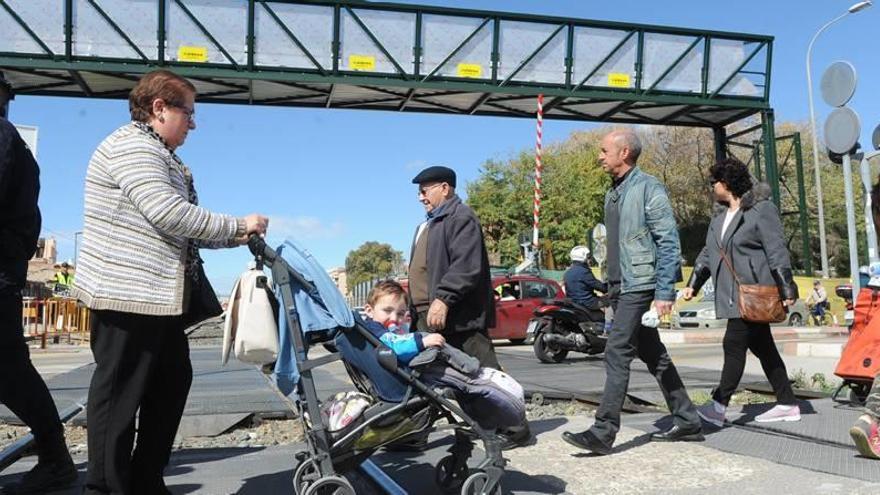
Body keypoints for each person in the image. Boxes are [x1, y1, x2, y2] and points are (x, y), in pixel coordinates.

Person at [73, 69, 269, 495]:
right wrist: (239, 224)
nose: (193, 123)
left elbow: (182, 231)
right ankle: (105, 486)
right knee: (120, 393)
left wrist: (237, 236)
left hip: (157, 299)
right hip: (127, 293)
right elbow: (168, 213)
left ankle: (146, 478)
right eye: (188, 112)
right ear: (158, 108)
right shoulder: (131, 146)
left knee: (171, 382)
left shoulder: (158, 153)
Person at [562, 129, 703, 455]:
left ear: (623, 152)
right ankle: (687, 419)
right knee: (653, 354)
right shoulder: (614, 192)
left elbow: (668, 242)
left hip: (639, 285)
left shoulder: (647, 187)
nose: (599, 156)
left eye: (603, 150)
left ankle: (603, 431)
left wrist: (665, 290)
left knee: (616, 351)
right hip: (620, 286)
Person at [408, 165, 531, 449]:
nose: (420, 197)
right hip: (428, 315)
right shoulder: (426, 225)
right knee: (427, 374)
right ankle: (418, 432)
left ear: (444, 188)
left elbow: (466, 266)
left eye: (424, 191)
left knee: (484, 370)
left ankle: (516, 428)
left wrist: (443, 298)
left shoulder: (460, 216)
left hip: (458, 315)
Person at [0, 71, 77, 494]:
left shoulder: (3, 137)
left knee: (10, 370)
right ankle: (55, 457)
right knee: (10, 370)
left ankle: (55, 458)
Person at [684, 157, 800, 427]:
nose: (711, 187)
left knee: (733, 343)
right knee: (764, 348)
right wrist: (693, 283)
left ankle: (718, 406)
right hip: (733, 294)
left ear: (727, 182)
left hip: (754, 293)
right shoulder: (719, 218)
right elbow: (707, 254)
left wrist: (786, 287)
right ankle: (788, 403)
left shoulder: (761, 210)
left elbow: (776, 249)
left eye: (714, 182)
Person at [363, 280, 446, 364]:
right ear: (369, 311)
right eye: (387, 310)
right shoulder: (375, 329)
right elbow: (395, 347)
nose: (394, 318)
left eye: (400, 314)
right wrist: (423, 342)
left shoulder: (387, 328)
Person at [564, 245, 607, 309]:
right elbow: (598, 286)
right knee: (612, 299)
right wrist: (609, 288)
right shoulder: (584, 271)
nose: (590, 260)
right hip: (588, 303)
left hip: (574, 303)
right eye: (588, 257)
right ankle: (610, 319)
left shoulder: (568, 272)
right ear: (583, 258)